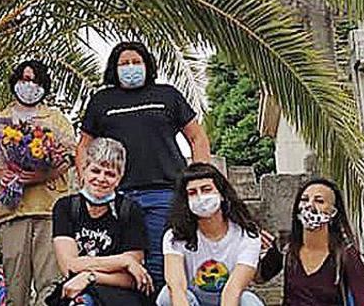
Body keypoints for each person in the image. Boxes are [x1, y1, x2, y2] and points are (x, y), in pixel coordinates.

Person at [77, 41, 211, 289]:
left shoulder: (167, 95)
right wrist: (88, 181)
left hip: (164, 192)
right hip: (117, 196)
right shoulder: (102, 100)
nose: (130, 67)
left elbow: (197, 137)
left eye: (136, 62)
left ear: (147, 65)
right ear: (113, 69)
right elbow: (84, 144)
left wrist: (200, 179)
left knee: (162, 260)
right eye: (124, 63)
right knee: (123, 261)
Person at [0, 60, 75, 306]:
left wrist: (41, 176)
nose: (29, 85)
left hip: (49, 210)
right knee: (15, 282)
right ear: (15, 82)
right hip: (12, 211)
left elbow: (69, 158)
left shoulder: (56, 119)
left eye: (35, 81)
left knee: (50, 281)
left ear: (44, 86)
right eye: (24, 79)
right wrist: (1, 175)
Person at [50, 137, 152, 306]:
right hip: (77, 289)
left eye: (110, 174)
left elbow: (133, 277)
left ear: (119, 178)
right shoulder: (66, 207)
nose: (101, 179)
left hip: (118, 294)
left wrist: (89, 276)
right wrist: (123, 261)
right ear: (84, 170)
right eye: (95, 171)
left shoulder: (130, 210)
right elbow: (70, 265)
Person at [159, 163, 266, 306]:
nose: (200, 197)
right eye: (192, 193)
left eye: (206, 189)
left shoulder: (247, 235)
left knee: (249, 301)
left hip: (230, 299)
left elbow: (234, 288)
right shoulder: (175, 236)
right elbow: (176, 286)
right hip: (192, 300)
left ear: (221, 194)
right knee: (166, 296)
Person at [256, 178, 364, 306]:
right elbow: (258, 277)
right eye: (304, 199)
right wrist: (252, 248)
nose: (309, 205)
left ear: (333, 212)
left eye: (319, 201)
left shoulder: (346, 254)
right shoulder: (284, 246)